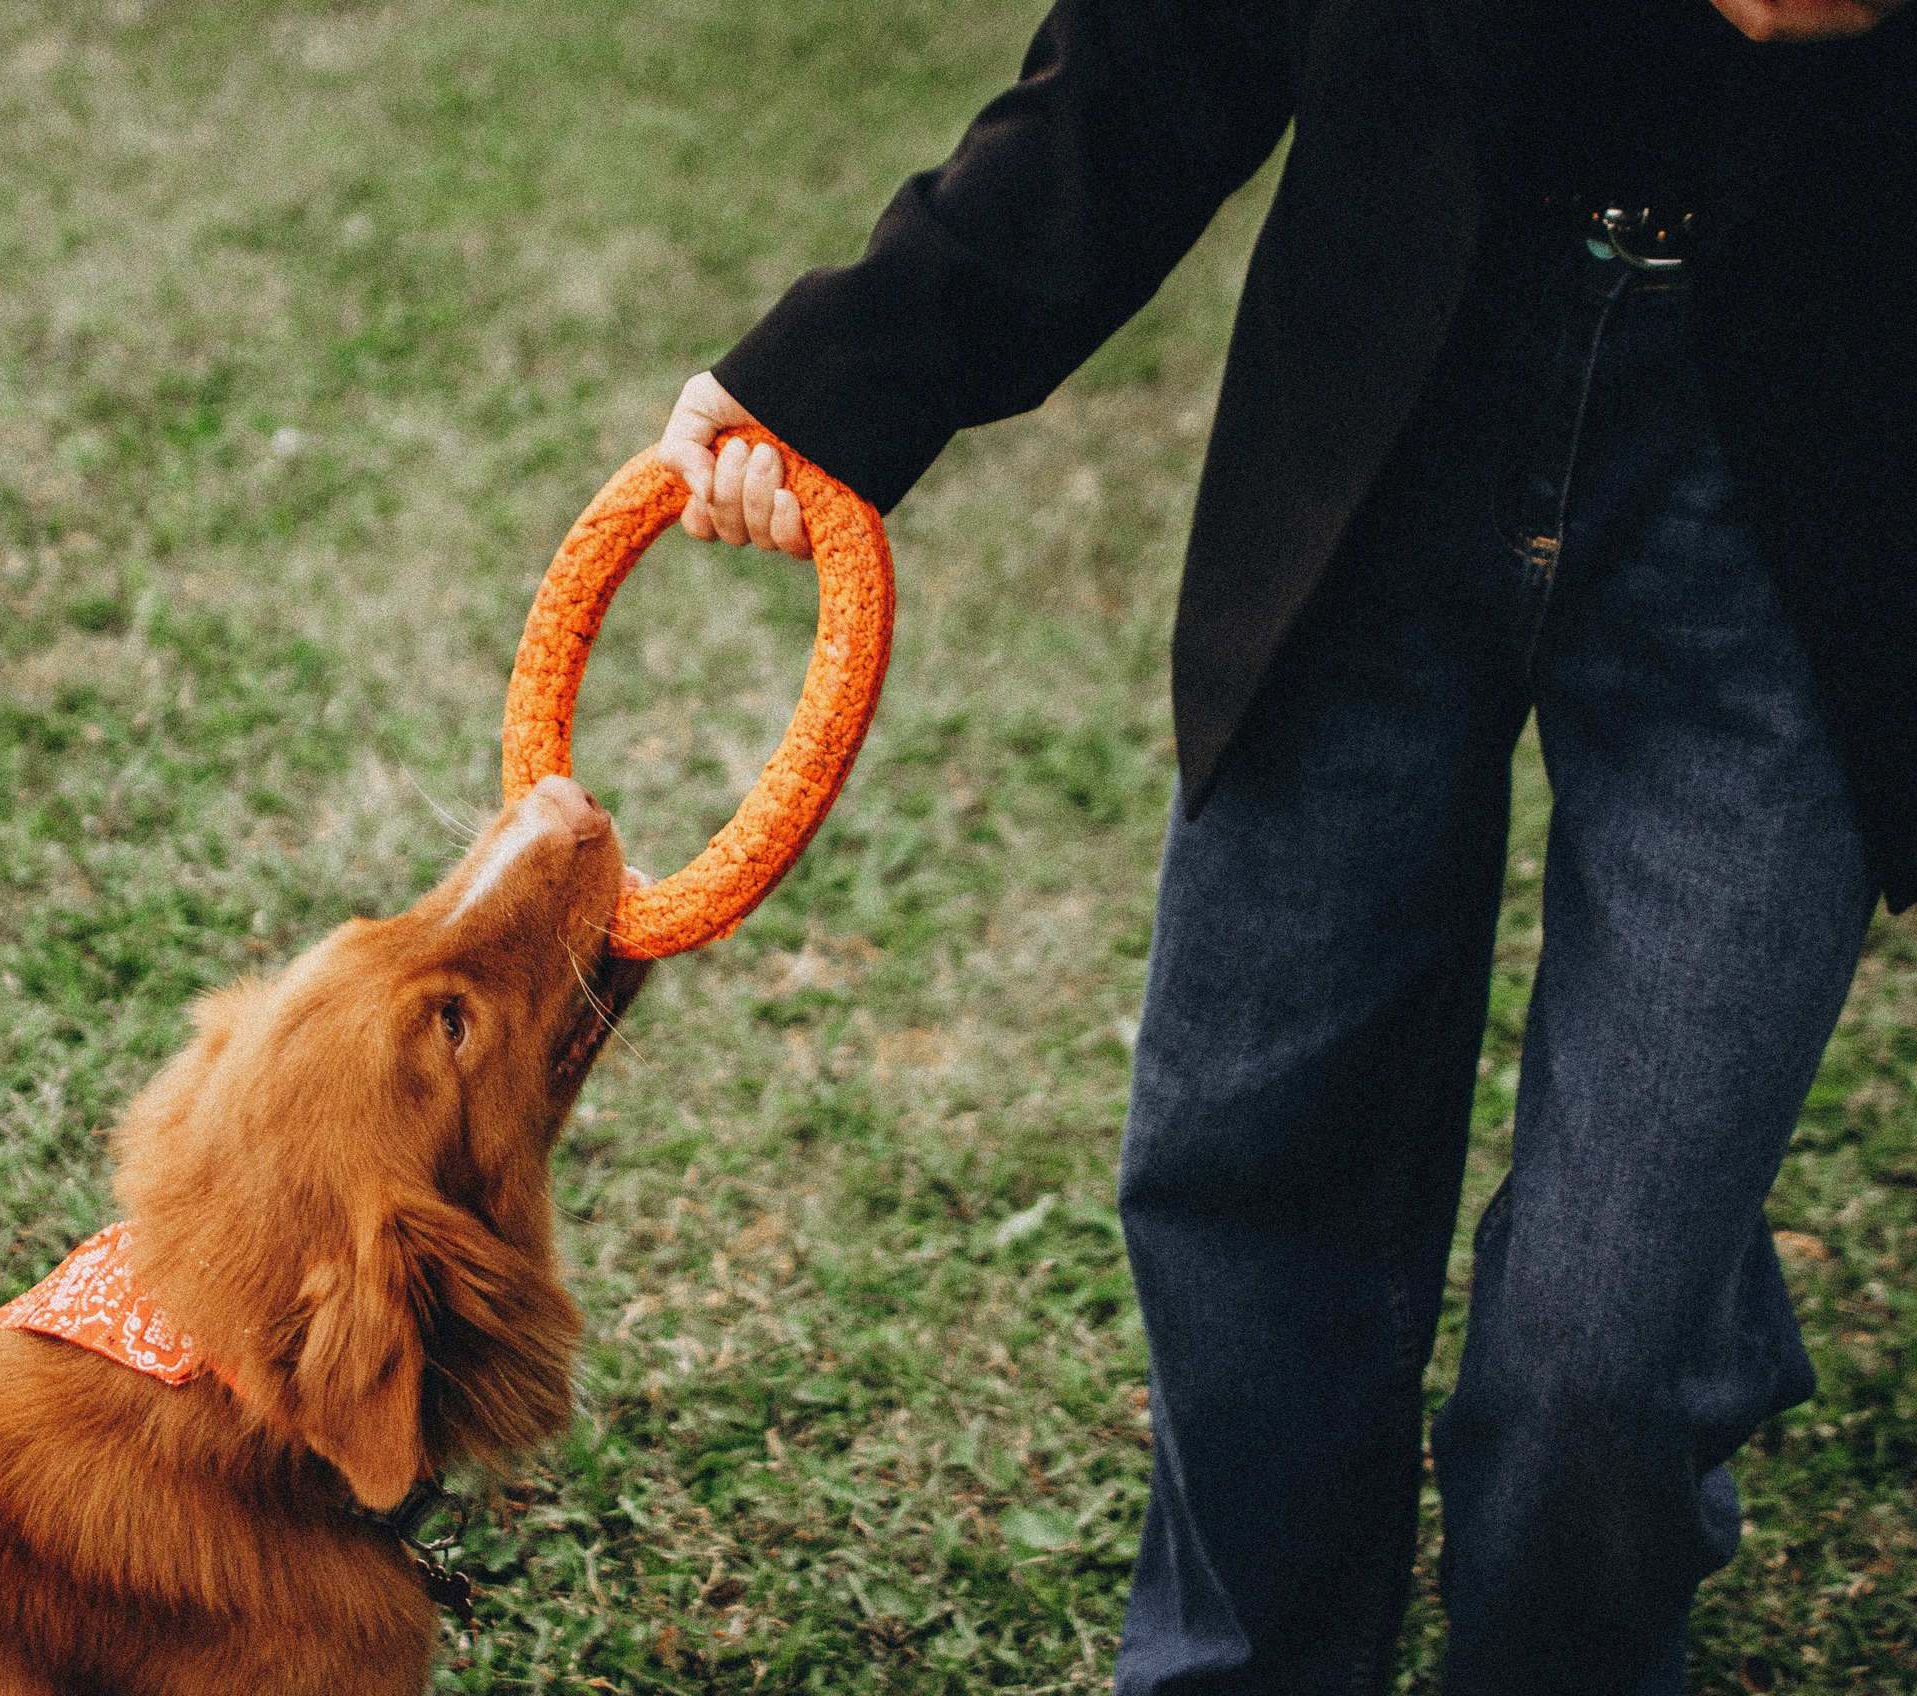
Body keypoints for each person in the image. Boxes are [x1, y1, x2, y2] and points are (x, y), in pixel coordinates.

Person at [655, 2, 1914, 1691]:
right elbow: (1166, 47)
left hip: (1805, 454)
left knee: (1604, 1352)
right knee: (1249, 1151)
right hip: (1387, 377)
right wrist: (850, 369)